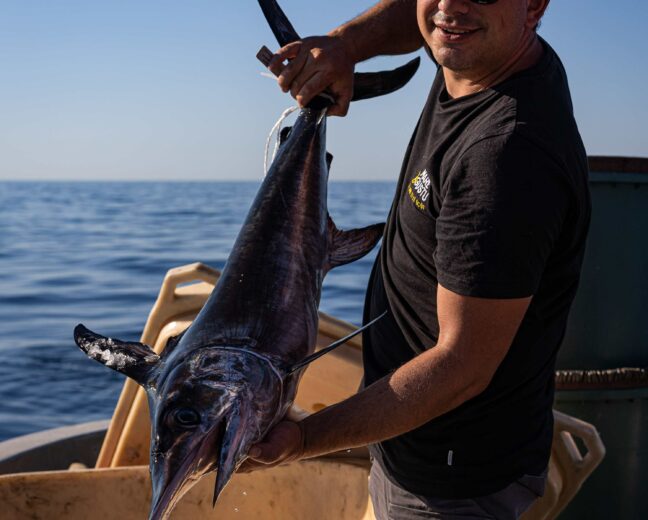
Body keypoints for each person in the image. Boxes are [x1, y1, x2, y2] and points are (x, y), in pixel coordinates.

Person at [242, 1, 591, 518]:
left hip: (451, 484)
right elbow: (423, 16)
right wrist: (343, 46)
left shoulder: (507, 155)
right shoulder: (480, 47)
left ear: (535, 5)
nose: (451, 6)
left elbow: (461, 366)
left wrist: (300, 440)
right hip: (412, 439)